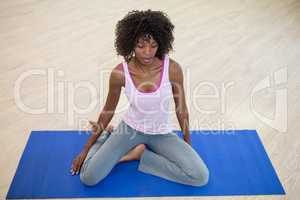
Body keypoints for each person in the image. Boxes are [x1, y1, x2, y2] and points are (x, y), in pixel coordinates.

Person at [70, 9, 209, 187]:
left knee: (200, 176)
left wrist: (187, 141)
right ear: (130, 45)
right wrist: (86, 149)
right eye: (140, 46)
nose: (147, 52)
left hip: (162, 133)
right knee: (88, 177)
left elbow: (181, 109)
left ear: (161, 42)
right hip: (130, 129)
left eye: (153, 45)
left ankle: (141, 154)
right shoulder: (120, 73)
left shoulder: (172, 69)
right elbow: (108, 111)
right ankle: (105, 136)